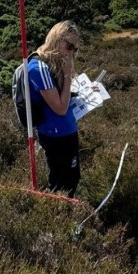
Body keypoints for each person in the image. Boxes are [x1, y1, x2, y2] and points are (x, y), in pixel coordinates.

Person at [28, 20, 82, 197]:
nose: (71, 52)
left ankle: (63, 218)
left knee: (71, 180)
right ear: (56, 39)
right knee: (61, 184)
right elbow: (59, 108)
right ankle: (57, 219)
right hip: (56, 134)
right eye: (69, 46)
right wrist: (67, 75)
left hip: (66, 131)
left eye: (75, 49)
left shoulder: (53, 64)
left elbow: (63, 98)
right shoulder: (38, 68)